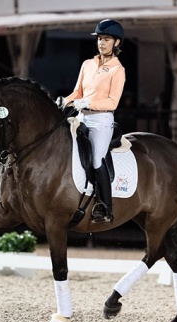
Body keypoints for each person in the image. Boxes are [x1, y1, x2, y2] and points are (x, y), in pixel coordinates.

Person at [57, 19, 126, 223]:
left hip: (101, 120)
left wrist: (89, 102)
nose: (101, 43)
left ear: (117, 43)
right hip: (81, 117)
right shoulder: (88, 64)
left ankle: (105, 207)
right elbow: (77, 92)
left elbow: (113, 102)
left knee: (97, 159)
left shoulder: (118, 70)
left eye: (106, 39)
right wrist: (64, 100)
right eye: (100, 39)